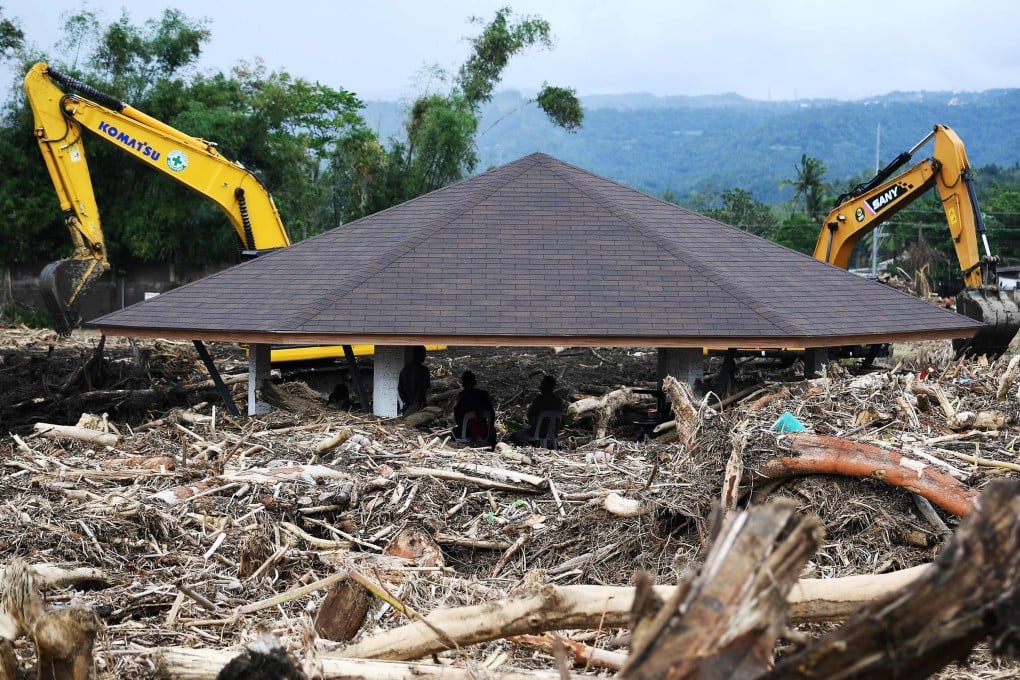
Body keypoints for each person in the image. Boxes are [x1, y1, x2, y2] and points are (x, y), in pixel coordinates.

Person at [512, 375, 564, 445]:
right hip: (553, 435)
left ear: (544, 386)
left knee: (514, 436)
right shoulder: (559, 401)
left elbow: (530, 414)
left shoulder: (539, 399)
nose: (541, 387)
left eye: (542, 385)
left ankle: (527, 446)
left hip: (537, 433)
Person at [452, 370, 496, 445]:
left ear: (463, 383)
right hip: (483, 431)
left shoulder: (462, 395)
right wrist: (490, 427)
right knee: (493, 432)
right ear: (474, 382)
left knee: (453, 432)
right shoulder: (484, 394)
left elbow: (457, 414)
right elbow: (491, 413)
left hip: (466, 432)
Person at [397, 346, 430, 416]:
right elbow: (423, 389)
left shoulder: (405, 370)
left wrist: (406, 402)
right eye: (424, 355)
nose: (424, 357)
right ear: (421, 356)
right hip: (419, 407)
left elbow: (400, 389)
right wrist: (415, 404)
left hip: (408, 406)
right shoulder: (424, 370)